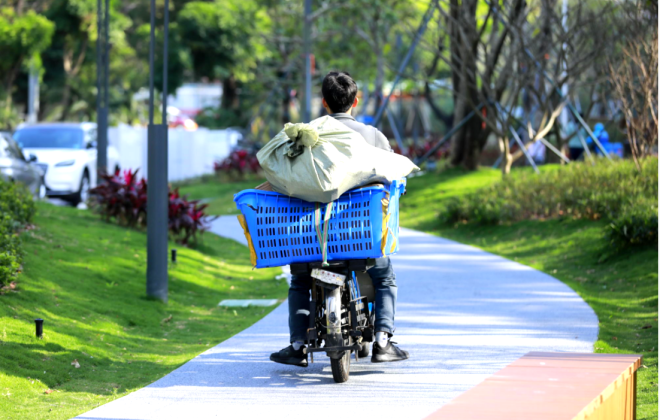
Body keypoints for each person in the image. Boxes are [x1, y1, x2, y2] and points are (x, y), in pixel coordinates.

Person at [269, 71, 410, 367]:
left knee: (300, 279)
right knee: (385, 277)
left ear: (324, 102)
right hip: (361, 236)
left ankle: (297, 345)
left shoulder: (308, 135)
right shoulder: (373, 136)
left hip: (313, 239)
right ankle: (383, 341)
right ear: (355, 101)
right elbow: (392, 174)